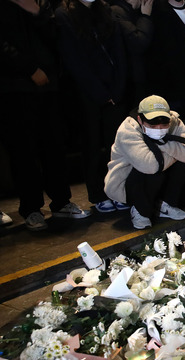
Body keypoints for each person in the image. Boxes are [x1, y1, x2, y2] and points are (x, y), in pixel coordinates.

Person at [1, 0, 92, 231]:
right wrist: (30, 69)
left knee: (54, 146)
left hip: (50, 84)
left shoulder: (42, 2)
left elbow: (55, 35)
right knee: (23, 152)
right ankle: (31, 209)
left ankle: (61, 201)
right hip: (16, 86)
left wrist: (37, 12)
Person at [56, 0, 128, 215]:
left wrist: (117, 89)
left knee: (116, 145)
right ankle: (98, 194)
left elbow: (120, 53)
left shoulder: (106, 10)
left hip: (114, 91)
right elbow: (74, 60)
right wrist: (101, 94)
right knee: (92, 146)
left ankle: (118, 191)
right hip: (87, 94)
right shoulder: (63, 15)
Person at [105, 95, 185, 229]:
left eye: (164, 124)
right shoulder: (127, 129)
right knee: (153, 170)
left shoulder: (175, 121)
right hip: (127, 179)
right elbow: (150, 166)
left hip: (157, 168)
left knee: (184, 164)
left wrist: (163, 146)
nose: (159, 128)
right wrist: (176, 151)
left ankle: (165, 205)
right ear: (140, 119)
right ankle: (140, 210)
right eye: (152, 124)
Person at [111, 0, 154, 104]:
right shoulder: (116, 11)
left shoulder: (136, 11)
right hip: (131, 82)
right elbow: (138, 42)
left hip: (143, 78)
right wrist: (146, 16)